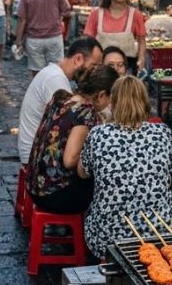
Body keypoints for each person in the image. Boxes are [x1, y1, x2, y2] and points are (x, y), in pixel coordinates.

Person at [78, 76, 172, 257]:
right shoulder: (162, 132)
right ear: (144, 101)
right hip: (161, 233)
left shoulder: (98, 134)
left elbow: (82, 172)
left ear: (114, 102)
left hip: (109, 237)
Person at [27, 65, 118, 214]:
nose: (112, 104)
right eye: (112, 98)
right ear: (102, 95)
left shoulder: (61, 97)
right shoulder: (85, 113)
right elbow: (69, 161)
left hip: (34, 186)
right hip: (54, 195)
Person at [18, 36, 103, 165]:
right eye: (93, 66)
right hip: (35, 158)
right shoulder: (55, 80)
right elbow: (70, 125)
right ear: (78, 59)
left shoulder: (54, 74)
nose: (94, 72)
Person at [84, 0, 147, 73]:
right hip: (102, 70)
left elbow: (141, 41)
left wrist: (141, 60)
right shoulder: (96, 14)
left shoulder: (135, 14)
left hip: (128, 69)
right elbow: (88, 43)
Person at [14, 0, 71, 72]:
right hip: (54, 37)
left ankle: (40, 90)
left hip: (34, 39)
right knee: (56, 70)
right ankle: (54, 89)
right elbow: (67, 11)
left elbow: (22, 20)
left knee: (37, 72)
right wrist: (57, 15)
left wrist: (18, 40)